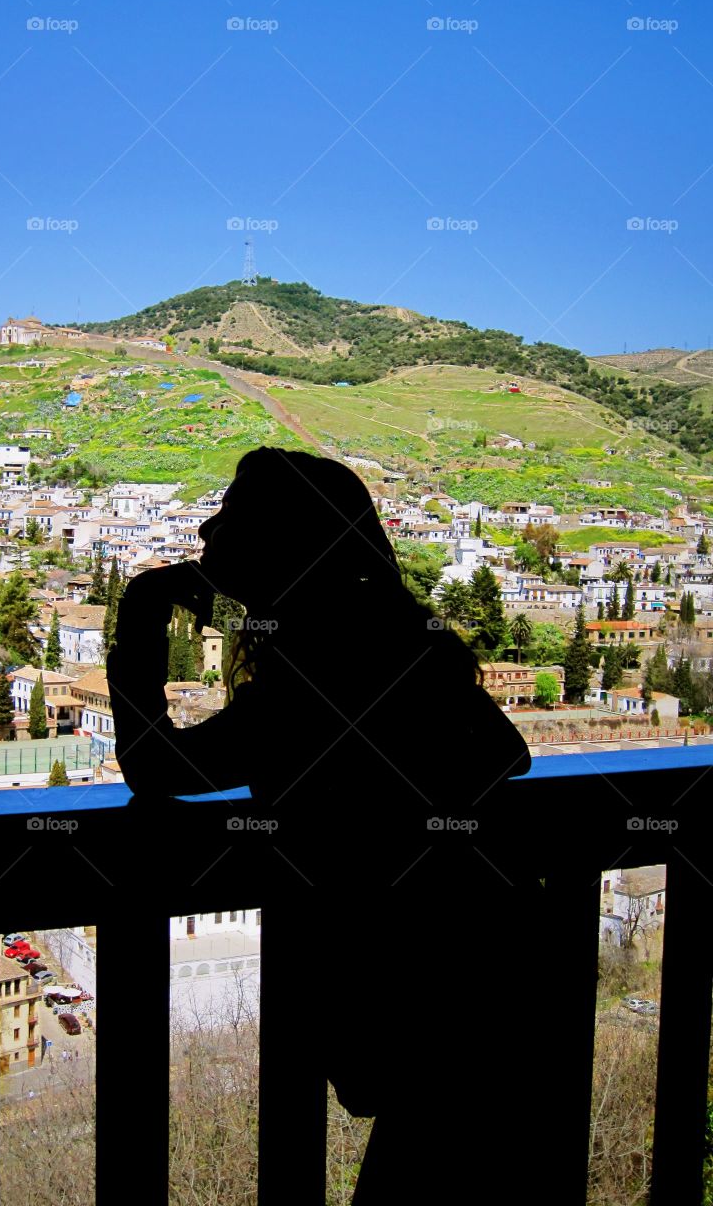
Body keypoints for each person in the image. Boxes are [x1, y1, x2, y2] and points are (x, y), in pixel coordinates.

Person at [107, 447, 544, 1201]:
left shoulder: (323, 664)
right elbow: (506, 753)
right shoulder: (380, 642)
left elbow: (160, 770)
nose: (210, 524)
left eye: (235, 510)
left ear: (287, 542)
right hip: (488, 988)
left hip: (439, 1009)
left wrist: (143, 614)